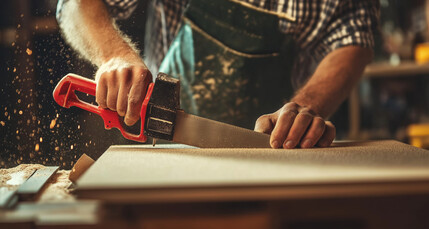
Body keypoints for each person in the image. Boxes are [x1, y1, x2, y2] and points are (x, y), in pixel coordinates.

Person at [56, 0, 379, 149]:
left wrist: (307, 105)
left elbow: (354, 39)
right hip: (161, 144)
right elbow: (76, 4)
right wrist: (114, 54)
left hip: (276, 150)